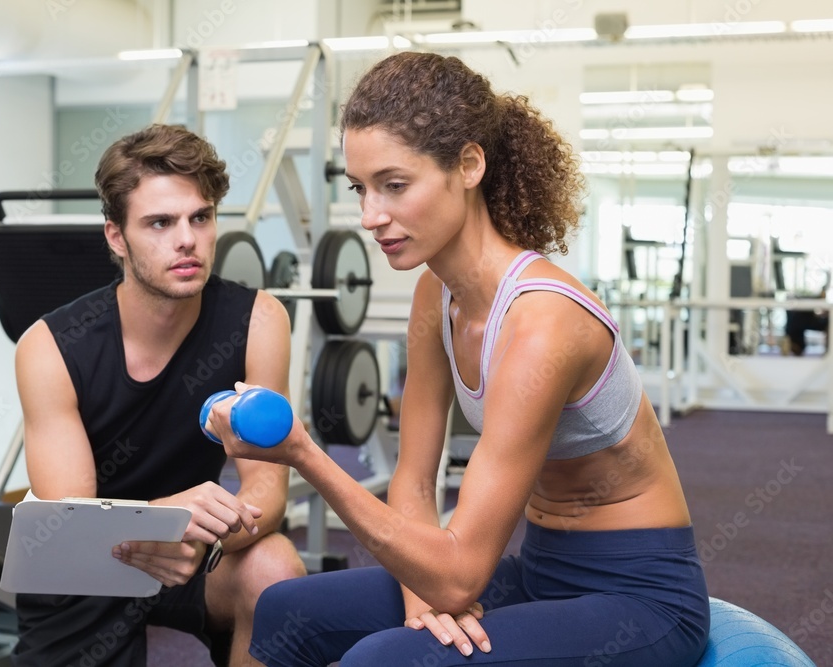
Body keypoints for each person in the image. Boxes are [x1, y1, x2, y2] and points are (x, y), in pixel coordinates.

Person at [207, 52, 710, 666]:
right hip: (539, 571)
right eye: (361, 189)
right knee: (286, 608)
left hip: (639, 598)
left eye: (395, 186)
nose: (370, 217)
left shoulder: (543, 323)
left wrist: (304, 455)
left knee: (384, 661)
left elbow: (463, 572)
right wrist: (423, 603)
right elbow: (415, 480)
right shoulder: (436, 293)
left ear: (469, 165)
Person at [11, 123, 306, 667]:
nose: (187, 239)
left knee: (276, 568)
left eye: (201, 217)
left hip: (195, 553)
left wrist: (200, 543)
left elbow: (267, 491)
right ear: (116, 237)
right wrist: (160, 520)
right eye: (160, 223)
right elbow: (73, 523)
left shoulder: (260, 321)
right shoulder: (49, 346)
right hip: (89, 562)